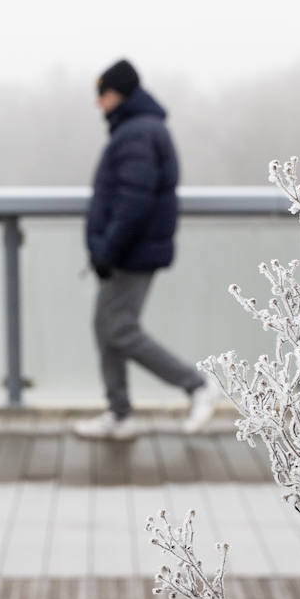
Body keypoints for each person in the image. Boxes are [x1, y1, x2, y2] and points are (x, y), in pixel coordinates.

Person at [73, 59, 218, 440]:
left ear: (118, 93)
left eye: (102, 94)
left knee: (118, 329)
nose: (98, 103)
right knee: (108, 327)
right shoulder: (139, 129)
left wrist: (107, 249)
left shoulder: (136, 133)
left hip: (129, 253)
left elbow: (132, 201)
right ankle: (120, 414)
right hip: (128, 250)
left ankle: (196, 385)